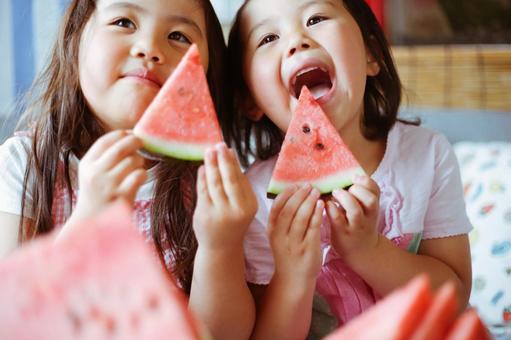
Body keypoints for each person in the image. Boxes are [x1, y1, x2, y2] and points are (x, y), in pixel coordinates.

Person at [0, 0, 256, 339]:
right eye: (123, 22)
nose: (150, 48)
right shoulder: (26, 162)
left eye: (178, 36)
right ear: (76, 38)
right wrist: (88, 220)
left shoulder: (211, 183)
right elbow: (12, 318)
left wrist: (220, 246)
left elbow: (221, 335)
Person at [225, 0, 473, 338]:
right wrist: (292, 273)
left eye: (316, 18)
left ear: (371, 55)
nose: (297, 40)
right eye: (267, 38)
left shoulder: (427, 154)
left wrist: (368, 250)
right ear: (249, 99)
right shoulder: (254, 198)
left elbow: (454, 299)